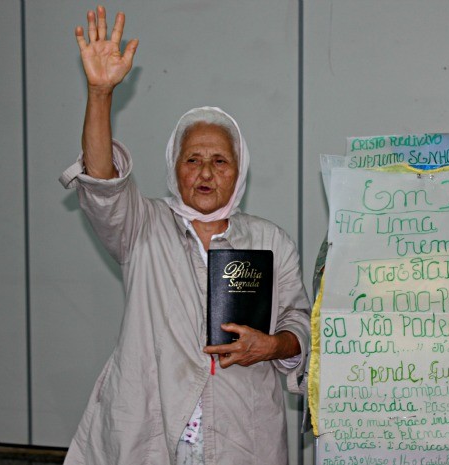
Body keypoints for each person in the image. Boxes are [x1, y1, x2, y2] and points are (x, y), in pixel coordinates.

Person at [59, 6, 311, 465]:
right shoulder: (142, 225)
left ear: (240, 171)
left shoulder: (269, 241)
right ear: (175, 167)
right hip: (152, 432)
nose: (206, 172)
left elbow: (300, 324)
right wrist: (99, 94)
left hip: (242, 433)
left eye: (220, 160)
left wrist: (273, 345)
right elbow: (102, 181)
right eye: (192, 159)